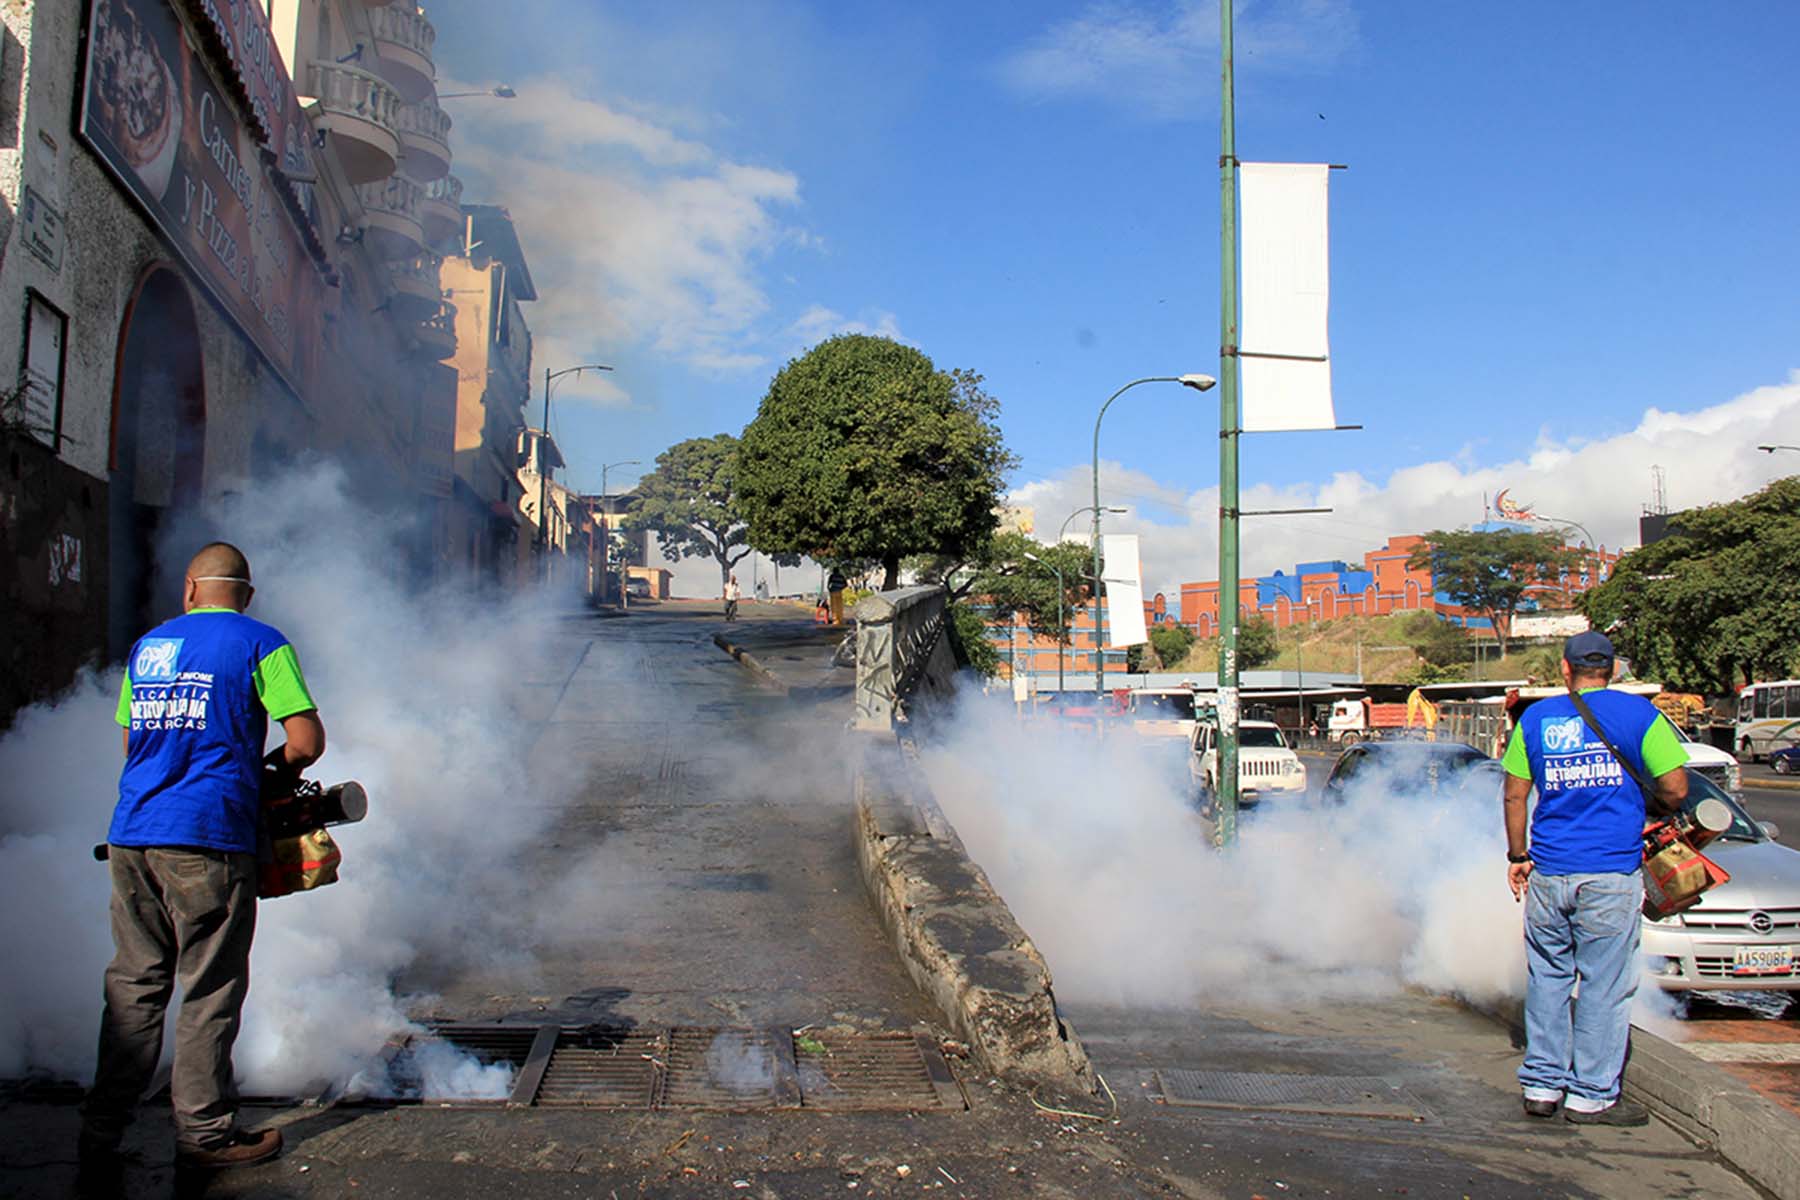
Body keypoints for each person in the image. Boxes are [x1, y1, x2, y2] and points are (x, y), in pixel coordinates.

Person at [80, 543, 325, 1176]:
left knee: (134, 985)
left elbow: (134, 742)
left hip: (133, 833)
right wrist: (269, 771)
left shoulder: (150, 646)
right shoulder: (261, 642)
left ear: (190, 590)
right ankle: (206, 1135)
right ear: (247, 595)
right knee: (209, 987)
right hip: (208, 837)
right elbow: (306, 742)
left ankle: (101, 1131)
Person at [1501, 630, 1686, 1126]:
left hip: (1549, 872)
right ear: (1614, 670)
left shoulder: (1536, 719)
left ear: (1566, 669)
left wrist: (1518, 854)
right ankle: (1591, 1095)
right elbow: (1676, 788)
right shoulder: (1640, 716)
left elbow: (1515, 795)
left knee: (1547, 978)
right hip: (1610, 873)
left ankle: (1542, 1085)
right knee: (1604, 984)